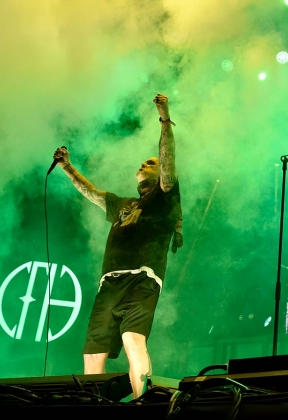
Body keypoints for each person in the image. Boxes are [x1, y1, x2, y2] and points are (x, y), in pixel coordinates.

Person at [52, 94, 182, 397]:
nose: (143, 163)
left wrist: (164, 120)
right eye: (143, 161)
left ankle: (143, 404)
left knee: (133, 339)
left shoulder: (164, 196)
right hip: (109, 283)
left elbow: (168, 161)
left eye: (149, 162)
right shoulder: (124, 205)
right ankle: (92, 406)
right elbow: (92, 192)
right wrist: (67, 167)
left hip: (142, 278)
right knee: (92, 352)